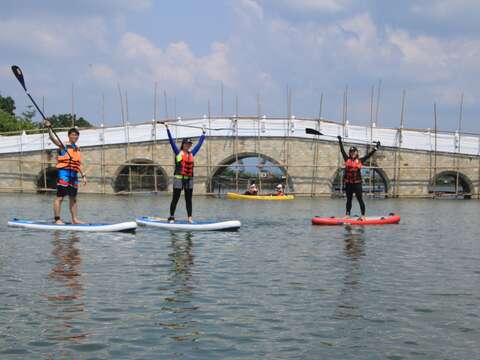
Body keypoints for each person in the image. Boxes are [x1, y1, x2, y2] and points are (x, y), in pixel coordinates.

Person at [44, 120, 87, 224]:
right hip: (64, 173)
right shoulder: (63, 145)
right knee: (60, 197)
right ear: (69, 136)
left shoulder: (77, 148)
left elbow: (78, 163)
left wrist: (83, 175)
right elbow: (53, 139)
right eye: (73, 135)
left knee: (73, 198)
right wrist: (49, 128)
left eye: (77, 135)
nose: (75, 137)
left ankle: (75, 219)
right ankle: (57, 219)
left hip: (74, 175)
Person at [164, 123, 206, 223]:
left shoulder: (192, 153)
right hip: (178, 178)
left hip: (189, 179)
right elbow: (171, 142)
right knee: (176, 198)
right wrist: (167, 129)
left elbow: (199, 145)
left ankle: (190, 218)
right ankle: (171, 216)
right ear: (183, 144)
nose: (188, 145)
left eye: (189, 144)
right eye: (186, 144)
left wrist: (203, 134)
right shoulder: (178, 153)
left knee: (189, 199)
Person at [337, 136, 380, 220]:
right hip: (348, 183)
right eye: (351, 152)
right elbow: (342, 150)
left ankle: (363, 215)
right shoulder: (347, 159)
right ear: (350, 153)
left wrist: (376, 147)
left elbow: (369, 155)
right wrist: (340, 141)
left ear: (356, 153)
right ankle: (347, 214)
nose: (352, 153)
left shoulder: (360, 160)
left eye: (354, 152)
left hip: (357, 183)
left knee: (360, 199)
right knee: (348, 200)